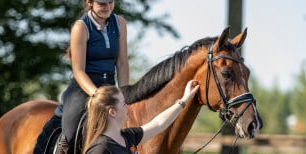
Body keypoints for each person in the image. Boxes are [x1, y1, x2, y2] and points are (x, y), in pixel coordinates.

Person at [33, 0, 129, 153]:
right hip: (84, 89)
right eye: (102, 3)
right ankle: (61, 149)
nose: (107, 7)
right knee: (70, 133)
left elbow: (122, 62)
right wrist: (97, 95)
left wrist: (125, 93)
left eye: (111, 2)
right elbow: (78, 71)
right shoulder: (80, 27)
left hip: (110, 86)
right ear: (89, 2)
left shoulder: (120, 23)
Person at [83, 80, 200, 154]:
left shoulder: (128, 136)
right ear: (112, 112)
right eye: (123, 104)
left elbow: (159, 124)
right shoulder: (100, 149)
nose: (127, 106)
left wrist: (185, 99)